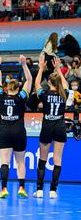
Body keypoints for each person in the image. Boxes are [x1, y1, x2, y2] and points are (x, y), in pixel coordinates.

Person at [0, 55, 33, 199]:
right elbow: (29, 80)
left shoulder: (1, 97)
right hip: (19, 132)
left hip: (4, 131)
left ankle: (4, 188)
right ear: (18, 88)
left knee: (5, 161)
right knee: (20, 161)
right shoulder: (21, 97)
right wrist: (24, 64)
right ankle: (21, 187)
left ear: (7, 88)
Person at [34, 55, 70, 199]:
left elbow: (36, 84)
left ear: (49, 82)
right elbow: (65, 85)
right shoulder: (63, 94)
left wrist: (41, 68)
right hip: (60, 128)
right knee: (57, 160)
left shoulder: (45, 94)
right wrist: (58, 69)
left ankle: (39, 189)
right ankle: (53, 190)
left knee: (42, 159)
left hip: (47, 128)